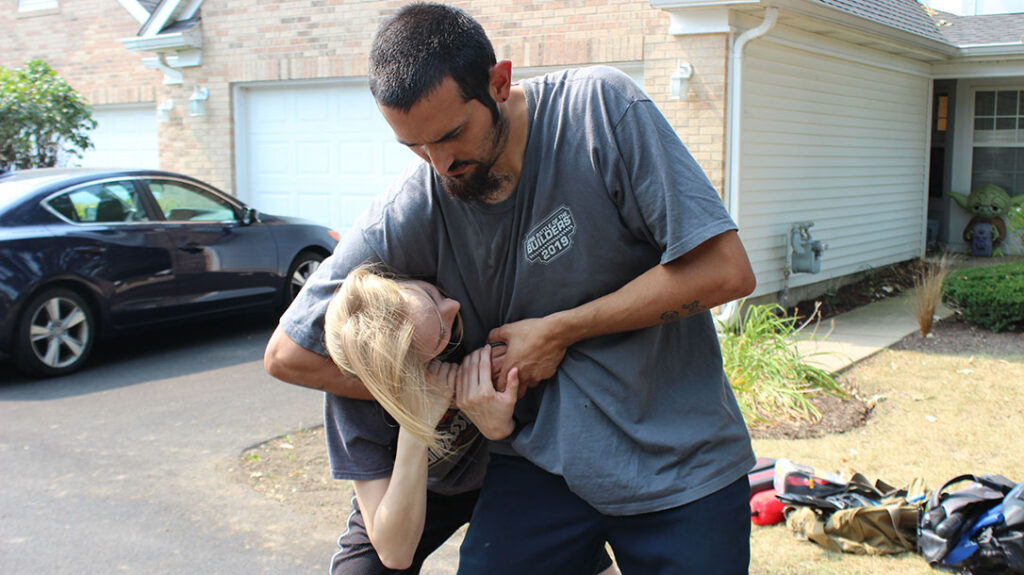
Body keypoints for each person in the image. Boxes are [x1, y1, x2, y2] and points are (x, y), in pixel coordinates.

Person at [265, 3, 758, 573]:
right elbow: (288, 355)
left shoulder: (600, 111)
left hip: (680, 461)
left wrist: (561, 330)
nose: (440, 164)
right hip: (540, 467)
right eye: (416, 148)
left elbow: (725, 271)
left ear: (499, 83)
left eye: (452, 135)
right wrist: (435, 390)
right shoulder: (415, 202)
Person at [321, 265, 616, 574]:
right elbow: (395, 552)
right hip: (422, 490)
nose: (453, 307)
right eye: (441, 337)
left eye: (432, 296)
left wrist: (502, 428)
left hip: (502, 472)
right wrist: (417, 424)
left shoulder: (468, 310)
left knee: (564, 556)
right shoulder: (351, 401)